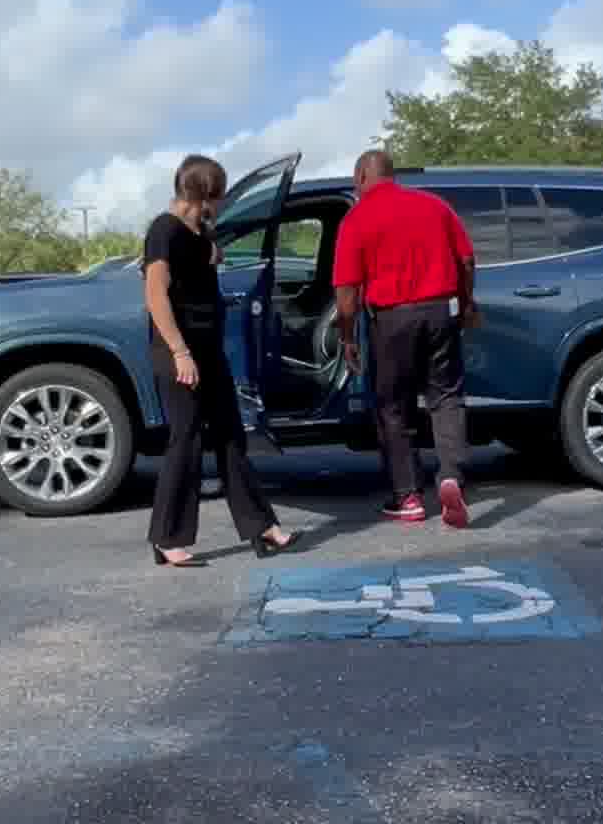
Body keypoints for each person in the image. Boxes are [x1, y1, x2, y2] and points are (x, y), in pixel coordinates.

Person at [143, 155, 298, 568]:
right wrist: (180, 353)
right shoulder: (163, 230)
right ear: (203, 194)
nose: (224, 201)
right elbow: (156, 295)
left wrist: (210, 247)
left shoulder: (199, 231)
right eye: (220, 194)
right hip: (179, 352)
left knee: (231, 436)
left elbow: (207, 258)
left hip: (208, 351)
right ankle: (167, 538)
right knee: (186, 440)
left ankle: (261, 526)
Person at [332, 148, 475, 528]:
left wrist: (348, 338)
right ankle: (451, 476)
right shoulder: (434, 206)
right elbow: (466, 260)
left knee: (393, 406)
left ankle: (408, 496)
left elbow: (346, 292)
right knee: (446, 397)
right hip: (441, 312)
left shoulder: (357, 218)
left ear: (361, 177)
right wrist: (466, 304)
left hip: (392, 319)